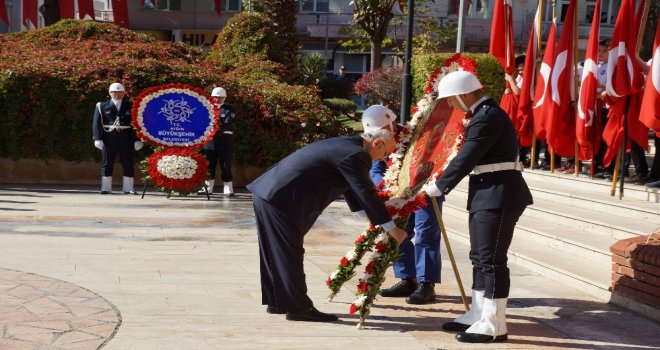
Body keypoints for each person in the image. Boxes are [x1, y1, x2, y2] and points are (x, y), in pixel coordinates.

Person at [247, 113, 407, 323]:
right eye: (385, 152)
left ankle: (278, 301)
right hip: (281, 198)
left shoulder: (351, 146)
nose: (384, 157)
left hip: (272, 193)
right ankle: (298, 308)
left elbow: (350, 186)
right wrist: (392, 229)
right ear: (377, 142)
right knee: (288, 251)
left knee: (275, 250)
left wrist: (366, 216)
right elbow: (365, 191)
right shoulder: (356, 155)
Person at [424, 71, 533, 343]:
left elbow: (466, 157)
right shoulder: (483, 114)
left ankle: (495, 325)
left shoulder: (487, 117)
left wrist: (440, 185)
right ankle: (478, 313)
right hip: (488, 193)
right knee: (479, 257)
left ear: (465, 94)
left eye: (451, 99)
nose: (450, 105)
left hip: (500, 195)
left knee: (492, 260)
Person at [363, 105, 442, 305]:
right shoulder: (377, 138)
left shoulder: (416, 133)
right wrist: (385, 186)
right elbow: (376, 166)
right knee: (398, 232)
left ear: (391, 123)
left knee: (426, 233)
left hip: (424, 190)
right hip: (398, 193)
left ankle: (426, 284)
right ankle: (407, 278)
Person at [92, 82, 143, 195]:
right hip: (108, 137)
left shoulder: (131, 106)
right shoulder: (101, 106)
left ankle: (128, 188)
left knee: (128, 162)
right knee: (107, 162)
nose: (117, 94)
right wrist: (97, 138)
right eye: (114, 92)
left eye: (119, 92)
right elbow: (96, 123)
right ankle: (106, 188)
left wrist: (137, 139)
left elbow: (137, 124)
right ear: (110, 93)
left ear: (124, 93)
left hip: (126, 137)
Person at [200, 87, 236, 196]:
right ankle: (207, 188)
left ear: (224, 97)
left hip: (224, 140)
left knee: (225, 164)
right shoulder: (206, 109)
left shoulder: (229, 109)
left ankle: (227, 187)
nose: (217, 99)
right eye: (215, 97)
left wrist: (214, 129)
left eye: (219, 97)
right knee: (209, 164)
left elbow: (227, 123)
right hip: (210, 141)